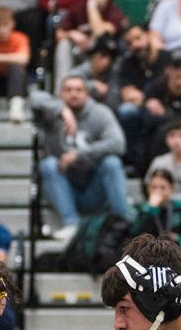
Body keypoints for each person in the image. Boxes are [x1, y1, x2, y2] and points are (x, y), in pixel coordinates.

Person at [31, 74, 129, 239]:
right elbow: (33, 97)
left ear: (87, 94)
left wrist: (79, 155)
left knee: (112, 163)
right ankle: (71, 224)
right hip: (65, 187)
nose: (73, 94)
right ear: (60, 94)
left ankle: (124, 223)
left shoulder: (100, 113)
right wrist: (61, 110)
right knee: (48, 165)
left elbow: (118, 143)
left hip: (94, 187)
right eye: (68, 90)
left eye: (78, 90)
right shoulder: (52, 113)